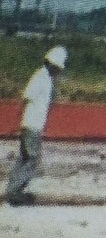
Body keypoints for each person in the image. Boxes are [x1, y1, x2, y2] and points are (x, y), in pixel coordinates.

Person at [6, 45, 66, 206]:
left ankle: (13, 189)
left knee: (24, 158)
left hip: (34, 125)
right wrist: (15, 121)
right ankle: (14, 191)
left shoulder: (46, 79)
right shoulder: (40, 77)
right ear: (53, 65)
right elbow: (26, 98)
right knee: (32, 159)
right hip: (31, 125)